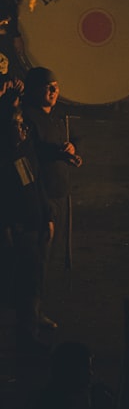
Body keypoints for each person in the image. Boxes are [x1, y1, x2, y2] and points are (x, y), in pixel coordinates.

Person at [20, 67, 81, 330]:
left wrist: (72, 150)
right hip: (41, 197)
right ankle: (31, 314)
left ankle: (38, 308)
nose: (54, 91)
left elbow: (67, 142)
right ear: (34, 90)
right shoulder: (28, 120)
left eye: (56, 85)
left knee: (47, 256)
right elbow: (29, 159)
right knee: (36, 258)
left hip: (57, 194)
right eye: (48, 87)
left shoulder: (54, 117)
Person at [0, 98, 52, 353]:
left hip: (33, 226)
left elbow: (36, 184)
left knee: (30, 283)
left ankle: (29, 333)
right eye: (18, 126)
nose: (24, 130)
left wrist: (47, 216)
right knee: (21, 286)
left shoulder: (24, 151)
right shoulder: (5, 159)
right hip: (19, 231)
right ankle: (25, 340)